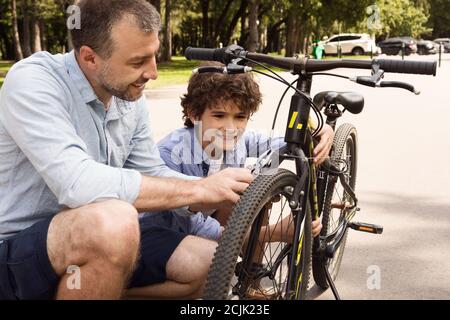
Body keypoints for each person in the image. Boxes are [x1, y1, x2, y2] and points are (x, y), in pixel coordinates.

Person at [0, 0, 253, 300]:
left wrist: (218, 188)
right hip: (20, 249)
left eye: (154, 56)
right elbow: (77, 184)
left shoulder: (128, 96)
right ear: (90, 58)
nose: (153, 73)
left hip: (100, 241)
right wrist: (197, 190)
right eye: (138, 62)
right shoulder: (34, 81)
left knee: (212, 261)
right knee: (114, 221)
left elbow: (151, 172)